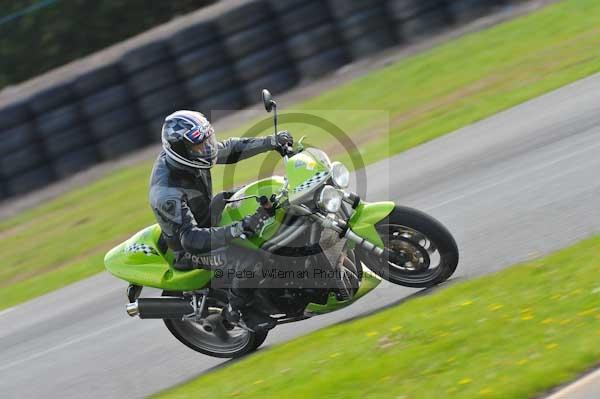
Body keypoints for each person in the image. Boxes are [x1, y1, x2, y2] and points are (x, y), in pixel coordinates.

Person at [149, 110, 293, 329]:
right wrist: (240, 229)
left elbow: (229, 148)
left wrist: (271, 142)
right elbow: (191, 239)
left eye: (208, 140)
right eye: (200, 146)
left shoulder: (193, 157)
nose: (207, 149)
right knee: (250, 257)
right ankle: (237, 311)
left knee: (266, 195)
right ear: (183, 151)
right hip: (192, 248)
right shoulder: (166, 194)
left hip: (208, 216)